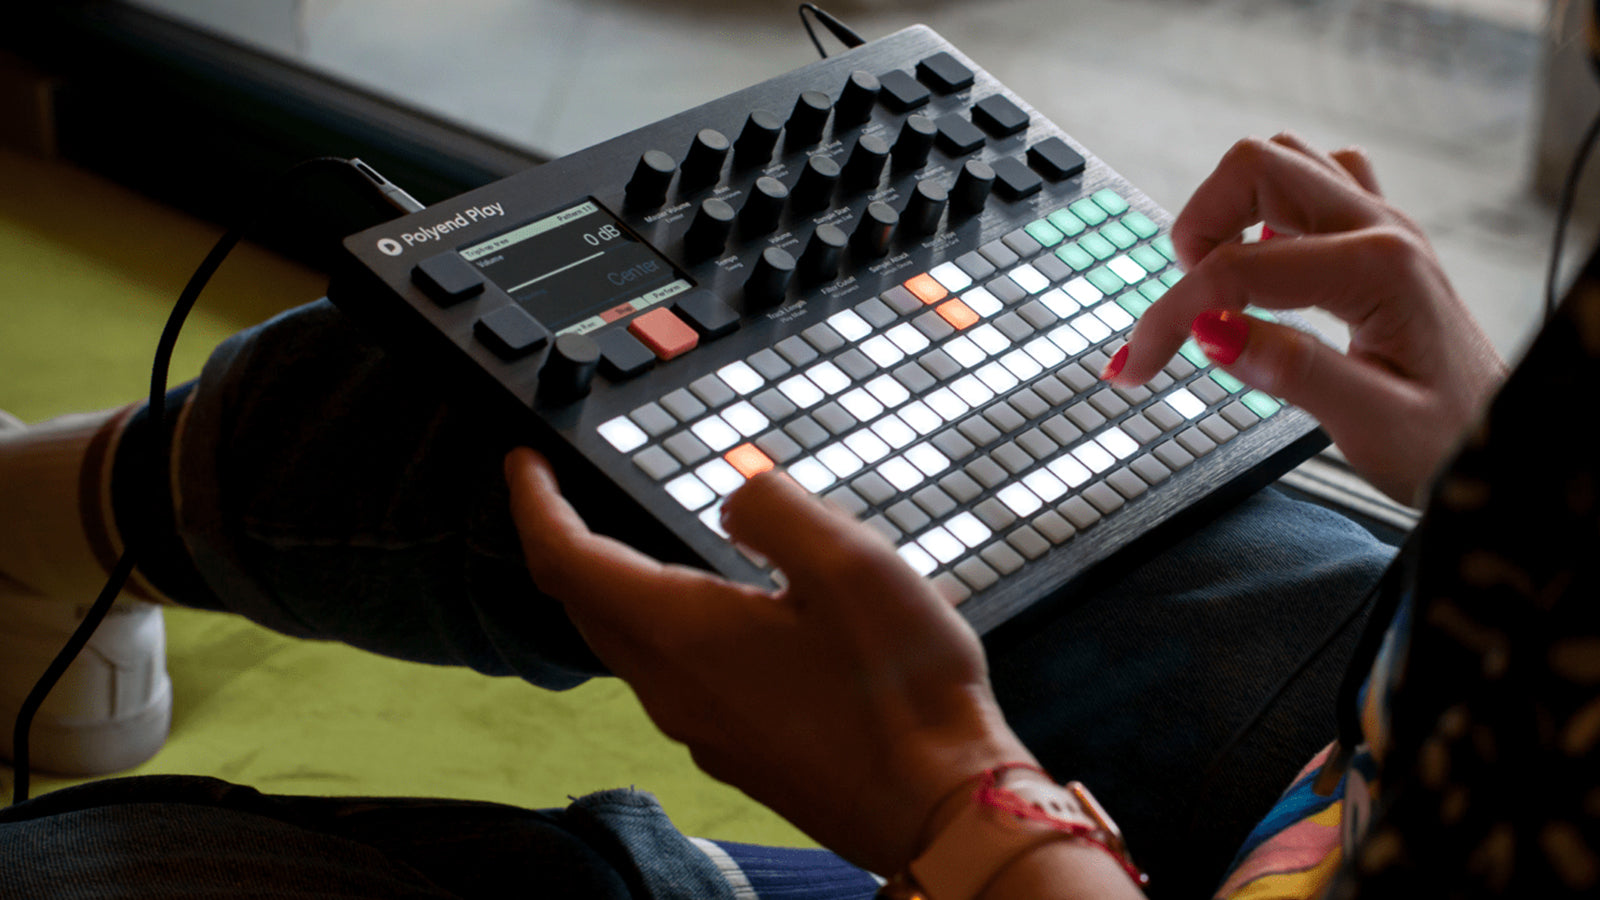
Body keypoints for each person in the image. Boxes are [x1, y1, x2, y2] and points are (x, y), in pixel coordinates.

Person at [0, 131, 1590, 898]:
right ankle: (41, 526)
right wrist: (1501, 500)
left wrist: (969, 818)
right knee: (618, 388)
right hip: (1414, 751)